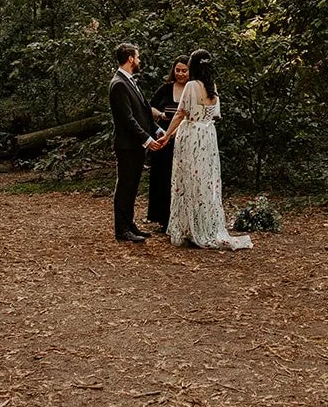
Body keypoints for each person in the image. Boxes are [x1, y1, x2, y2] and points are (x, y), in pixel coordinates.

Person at [156, 50, 253, 251]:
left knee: (188, 180)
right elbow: (215, 114)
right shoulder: (212, 87)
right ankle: (205, 225)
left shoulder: (191, 86)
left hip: (192, 134)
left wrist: (167, 135)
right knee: (205, 181)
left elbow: (180, 113)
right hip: (208, 136)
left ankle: (190, 228)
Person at [108, 43, 162, 243]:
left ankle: (129, 224)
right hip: (127, 145)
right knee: (125, 186)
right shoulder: (119, 84)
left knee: (132, 186)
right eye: (137, 57)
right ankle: (122, 229)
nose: (139, 61)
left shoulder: (129, 81)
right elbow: (127, 119)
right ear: (130, 59)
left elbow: (143, 112)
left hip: (135, 145)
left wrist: (157, 130)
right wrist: (147, 139)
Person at [145, 55, 190, 232]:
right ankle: (163, 217)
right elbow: (149, 107)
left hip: (184, 136)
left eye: (184, 70)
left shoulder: (193, 88)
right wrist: (161, 115)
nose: (180, 74)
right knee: (162, 176)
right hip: (163, 136)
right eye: (177, 70)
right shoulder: (165, 89)